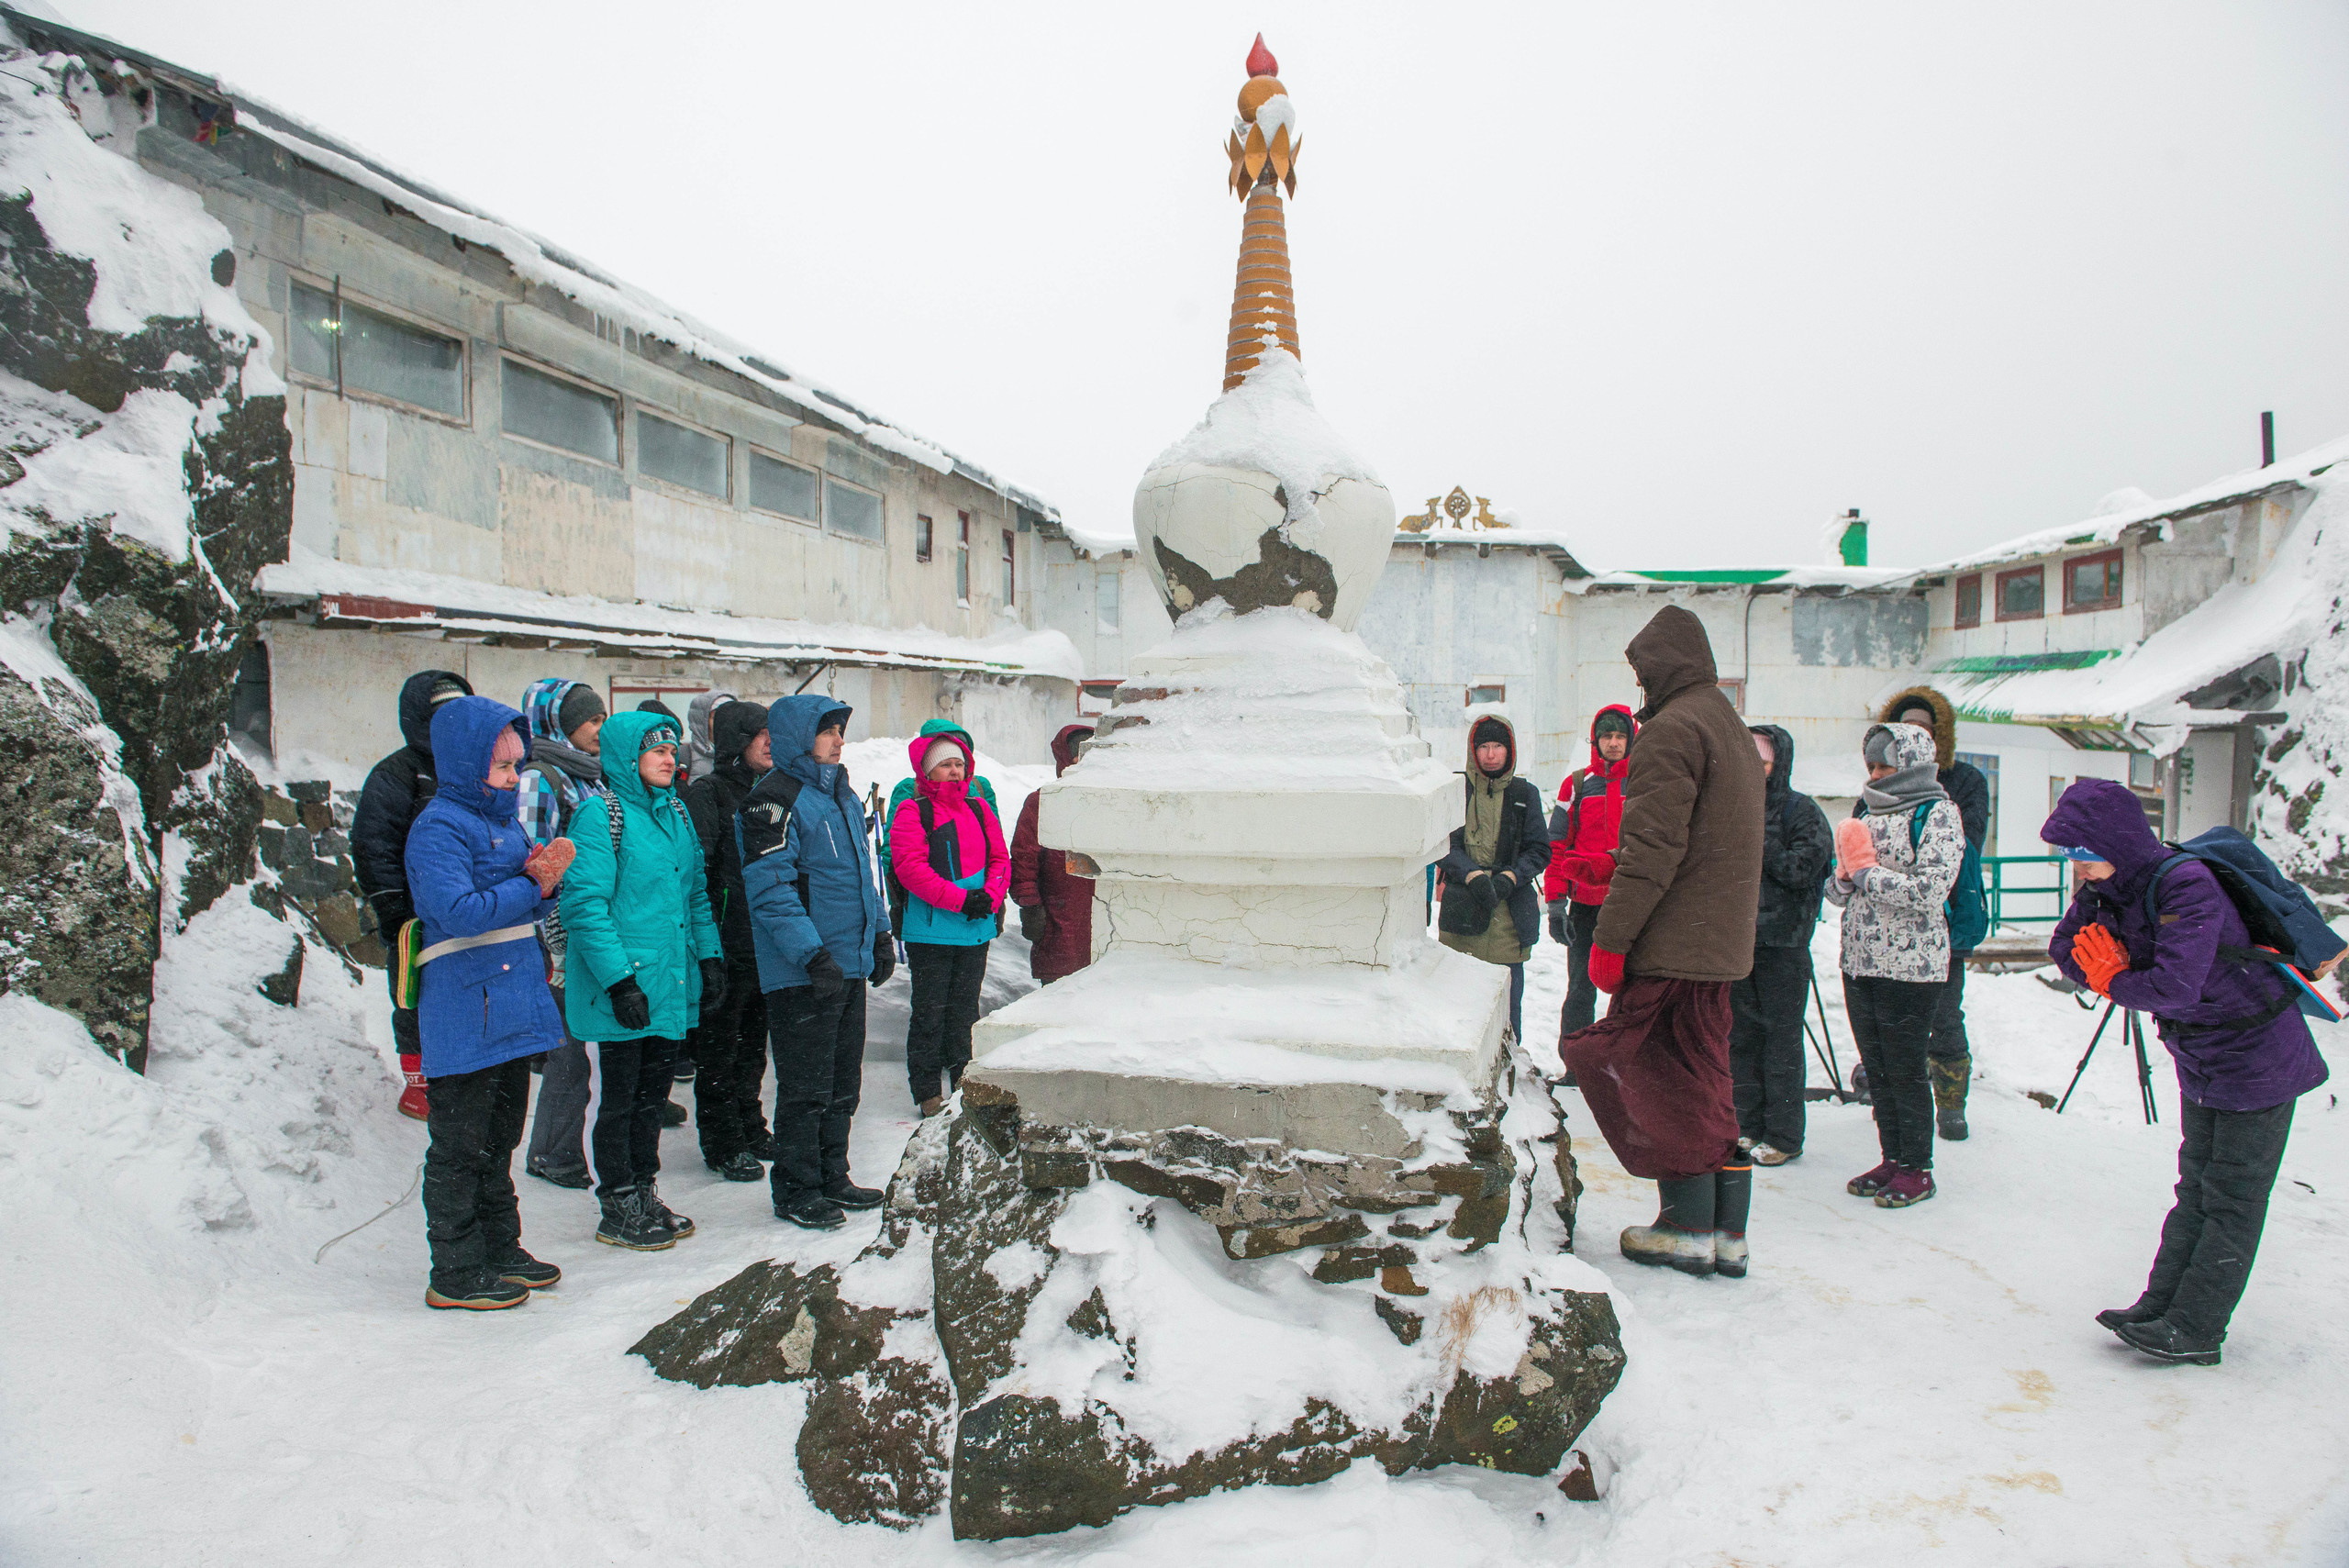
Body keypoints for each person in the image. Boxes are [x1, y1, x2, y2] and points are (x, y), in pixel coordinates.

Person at [2046, 779, 2334, 1365]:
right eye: (2068, 858)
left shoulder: (2185, 885)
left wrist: (2112, 979)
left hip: (2259, 1056)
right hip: (2202, 1056)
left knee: (2231, 1197)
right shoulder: (2109, 889)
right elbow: (2063, 948)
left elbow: (2175, 988)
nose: (2076, 870)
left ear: (2116, 843)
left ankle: (2198, 1330)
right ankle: (2159, 1307)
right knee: (2195, 1187)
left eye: (2082, 855)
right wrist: (2113, 974)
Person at [1561, 606, 1764, 1280]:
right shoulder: (1727, 724)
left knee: (1658, 1077)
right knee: (1707, 1077)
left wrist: (1611, 940)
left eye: (1643, 671)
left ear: (1661, 666)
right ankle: (1725, 1231)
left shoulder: (1673, 731)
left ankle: (1685, 1224)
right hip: (1718, 944)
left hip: (1675, 941)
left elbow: (1650, 851)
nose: (1640, 684)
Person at [403, 694, 571, 1310]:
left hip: (512, 1001)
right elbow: (459, 912)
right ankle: (454, 1263)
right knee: (461, 1142)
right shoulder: (439, 827)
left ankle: (500, 1245)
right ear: (465, 765)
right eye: (502, 768)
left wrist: (548, 884)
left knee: (499, 1137)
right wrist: (531, 883)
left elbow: (524, 902)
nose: (512, 778)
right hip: (467, 1005)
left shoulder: (504, 821)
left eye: (516, 766)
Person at [560, 709, 723, 1252]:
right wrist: (618, 982)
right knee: (622, 1098)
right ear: (627, 759)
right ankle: (618, 1199)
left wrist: (710, 959)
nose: (669, 758)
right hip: (627, 988)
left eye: (673, 750)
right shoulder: (599, 816)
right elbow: (585, 905)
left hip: (669, 981)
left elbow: (695, 894)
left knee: (653, 1096)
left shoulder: (674, 811)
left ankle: (645, 1188)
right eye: (657, 751)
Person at [740, 695, 896, 1230]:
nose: (838, 740)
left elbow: (863, 875)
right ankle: (796, 1187)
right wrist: (812, 954)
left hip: (846, 963)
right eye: (827, 731)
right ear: (797, 735)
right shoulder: (773, 801)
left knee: (842, 1082)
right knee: (806, 1085)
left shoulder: (843, 795)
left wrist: (879, 936)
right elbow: (771, 890)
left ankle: (833, 1172)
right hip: (803, 969)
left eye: (839, 731)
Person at [1824, 721, 1963, 1210]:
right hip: (1861, 960)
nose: (1877, 774)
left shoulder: (1938, 813)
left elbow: (1931, 890)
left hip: (1913, 966)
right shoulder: (1864, 812)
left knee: (1905, 1069)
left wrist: (1867, 875)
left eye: (1886, 764)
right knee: (1878, 1069)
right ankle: (1892, 1158)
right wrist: (1843, 878)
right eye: (1872, 765)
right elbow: (1838, 892)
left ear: (1913, 764)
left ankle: (1917, 1167)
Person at [1868, 687, 1991, 1140]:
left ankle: (1951, 1101)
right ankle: (1898, 1101)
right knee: (1890, 1013)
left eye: (1923, 729)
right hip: (1887, 917)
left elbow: (1966, 842)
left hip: (1945, 913)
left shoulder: (1965, 782)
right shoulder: (1880, 780)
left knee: (1944, 1012)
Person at [351, 668, 472, 1120]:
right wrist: (393, 908)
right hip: (414, 911)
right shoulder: (396, 774)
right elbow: (373, 844)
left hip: (466, 908)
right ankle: (417, 1083)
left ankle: (458, 1069)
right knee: (412, 994)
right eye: (442, 713)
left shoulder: (477, 767)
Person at [517, 677, 611, 1187]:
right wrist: (551, 933)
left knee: (581, 1048)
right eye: (591, 719)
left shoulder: (589, 776)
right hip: (555, 934)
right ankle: (553, 1153)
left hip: (586, 927)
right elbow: (534, 862)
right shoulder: (541, 779)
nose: (601, 727)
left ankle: (560, 1149)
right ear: (559, 722)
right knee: (568, 1052)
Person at [893, 730, 1011, 1114]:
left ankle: (964, 1083)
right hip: (931, 930)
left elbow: (1000, 860)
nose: (955, 771)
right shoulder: (913, 811)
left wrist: (990, 898)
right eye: (946, 764)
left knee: (964, 1010)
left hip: (974, 927)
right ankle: (927, 1090)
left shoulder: (979, 809)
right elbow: (911, 869)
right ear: (929, 771)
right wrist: (962, 900)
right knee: (929, 1012)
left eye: (959, 764)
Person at [681, 699, 774, 1181]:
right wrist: (708, 946)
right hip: (724, 938)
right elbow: (698, 873)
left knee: (754, 1042)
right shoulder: (710, 792)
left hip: (765, 940)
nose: (770, 742)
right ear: (738, 741)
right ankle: (721, 1140)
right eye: (761, 734)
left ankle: (750, 1124)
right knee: (720, 1045)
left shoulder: (773, 791)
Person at [1730, 724, 1831, 1165]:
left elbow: (1803, 870)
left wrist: (1759, 841)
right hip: (1737, 941)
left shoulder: (1801, 811)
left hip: (1784, 944)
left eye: (1763, 761)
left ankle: (1785, 1135)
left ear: (1779, 764)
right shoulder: (1731, 806)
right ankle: (1747, 1126)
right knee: (1741, 1037)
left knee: (1781, 1039)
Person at [1436, 711, 1550, 1046]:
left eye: (1497, 746)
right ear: (1473, 750)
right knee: (1459, 997)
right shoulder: (1457, 790)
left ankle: (1509, 1058)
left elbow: (1539, 849)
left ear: (1509, 750)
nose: (1490, 754)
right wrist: (1470, 874)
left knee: (1507, 999)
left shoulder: (1524, 793)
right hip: (1463, 910)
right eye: (1483, 745)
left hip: (1509, 915)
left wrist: (1511, 877)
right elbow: (1444, 844)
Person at [1544, 705, 1635, 1076]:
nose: (1613, 744)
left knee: (1630, 992)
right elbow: (1557, 847)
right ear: (1595, 740)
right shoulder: (1577, 785)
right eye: (1606, 737)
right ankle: (1578, 1067)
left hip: (1632, 906)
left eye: (1620, 737)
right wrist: (1555, 904)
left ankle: (1626, 1067)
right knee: (1581, 988)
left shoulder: (1645, 782)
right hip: (1585, 906)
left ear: (1631, 740)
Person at [1010, 724, 1097, 985]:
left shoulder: (1113, 801)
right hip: (1059, 919)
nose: (1081, 759)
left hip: (1103, 915)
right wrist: (1031, 906)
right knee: (1060, 997)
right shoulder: (1042, 802)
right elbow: (1024, 859)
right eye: (1076, 752)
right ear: (1063, 757)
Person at [684, 688, 739, 784]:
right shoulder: (684, 756)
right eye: (716, 717)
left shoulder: (743, 756)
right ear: (702, 721)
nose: (725, 722)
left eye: (730, 717)